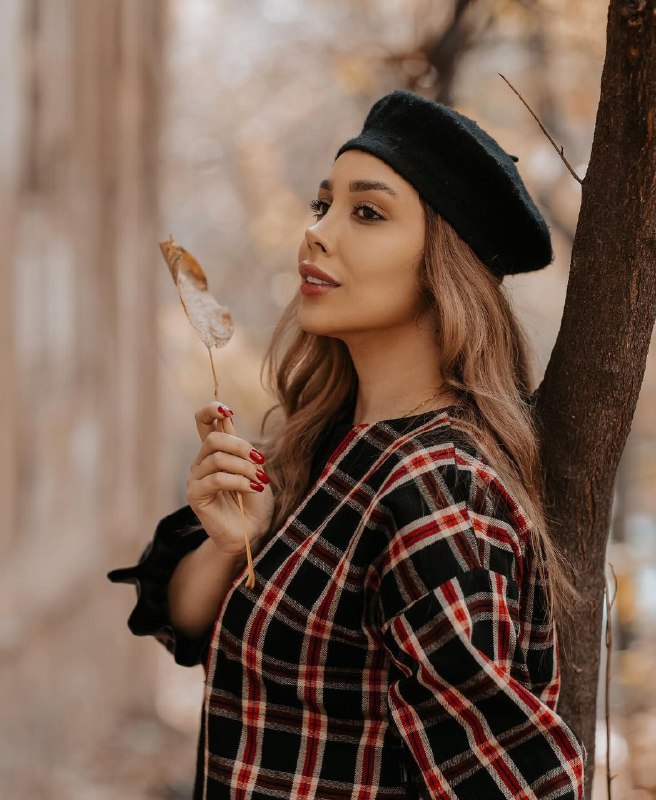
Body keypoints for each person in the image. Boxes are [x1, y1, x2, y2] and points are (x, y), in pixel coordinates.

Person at [107, 89, 587, 799]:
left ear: (443, 264)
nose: (317, 233)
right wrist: (231, 543)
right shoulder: (329, 443)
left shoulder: (434, 488)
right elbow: (196, 630)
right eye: (322, 204)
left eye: (367, 213)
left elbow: (507, 783)